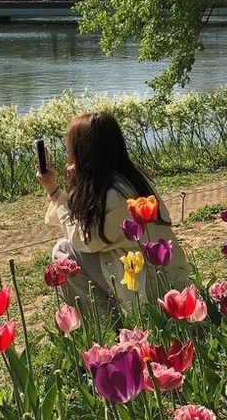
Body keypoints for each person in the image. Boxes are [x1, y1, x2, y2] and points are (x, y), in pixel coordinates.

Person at [37, 112, 192, 313]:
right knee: (67, 248)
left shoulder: (114, 195)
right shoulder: (132, 179)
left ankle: (106, 321)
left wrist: (54, 190)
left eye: (71, 148)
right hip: (160, 272)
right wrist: (79, 183)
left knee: (63, 251)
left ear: (83, 152)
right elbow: (87, 225)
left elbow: (82, 239)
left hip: (150, 283)